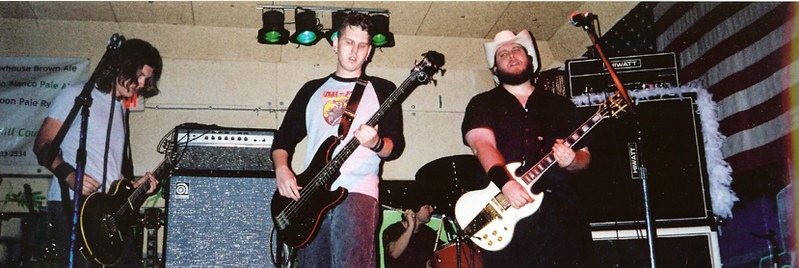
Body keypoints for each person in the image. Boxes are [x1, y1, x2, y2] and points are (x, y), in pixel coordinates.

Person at [271, 12, 405, 267]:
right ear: (335, 44)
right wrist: (282, 169)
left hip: (358, 191)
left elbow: (394, 147)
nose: (355, 51)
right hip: (310, 195)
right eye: (348, 42)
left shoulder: (383, 89)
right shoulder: (311, 90)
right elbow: (284, 139)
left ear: (369, 52)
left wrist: (375, 143)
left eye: (362, 45)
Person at [460, 30, 595, 267]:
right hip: (509, 212)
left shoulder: (560, 105)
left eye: (517, 50)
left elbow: (585, 157)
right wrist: (506, 183)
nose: (511, 56)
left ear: (529, 59)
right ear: (494, 68)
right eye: (503, 54)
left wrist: (572, 160)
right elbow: (483, 146)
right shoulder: (482, 103)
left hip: (560, 213)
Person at [33, 38, 162, 267]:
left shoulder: (122, 110)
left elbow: (112, 173)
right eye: (140, 75)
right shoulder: (77, 95)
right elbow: (43, 143)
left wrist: (134, 187)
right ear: (123, 64)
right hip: (74, 205)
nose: (141, 84)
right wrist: (70, 175)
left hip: (108, 211)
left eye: (147, 79)